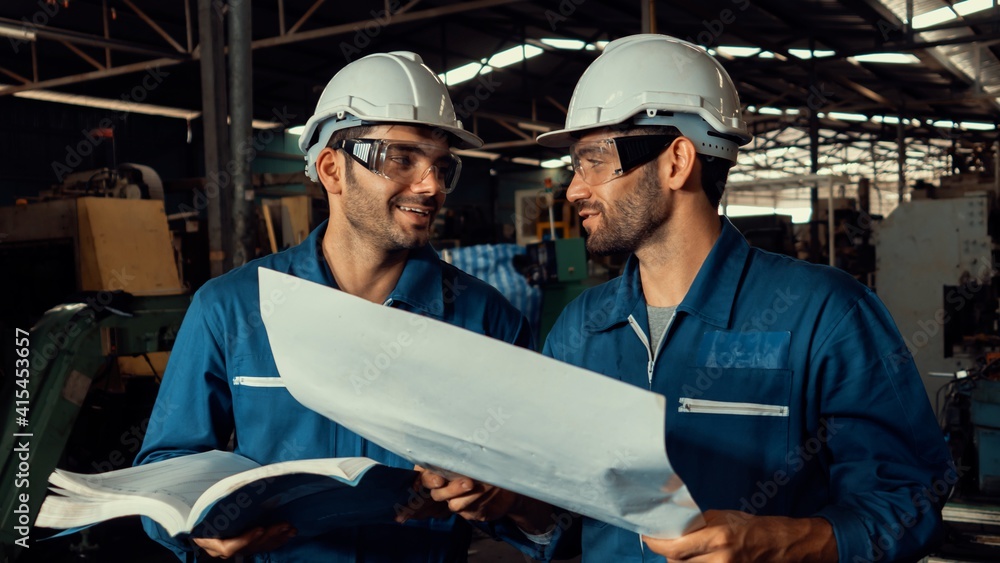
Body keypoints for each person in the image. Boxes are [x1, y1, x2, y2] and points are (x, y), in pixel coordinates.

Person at [422, 34, 955, 562]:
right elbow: (566, 522)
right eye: (575, 165)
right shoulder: (580, 329)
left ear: (676, 161)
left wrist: (777, 541)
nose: (574, 189)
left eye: (594, 161)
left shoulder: (826, 314)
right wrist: (510, 500)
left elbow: (911, 500)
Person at [135, 51, 532, 562]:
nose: (431, 185)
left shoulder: (487, 319)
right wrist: (194, 530)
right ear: (331, 170)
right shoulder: (232, 309)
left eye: (440, 165)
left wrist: (506, 498)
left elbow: (544, 504)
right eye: (402, 159)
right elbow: (165, 471)